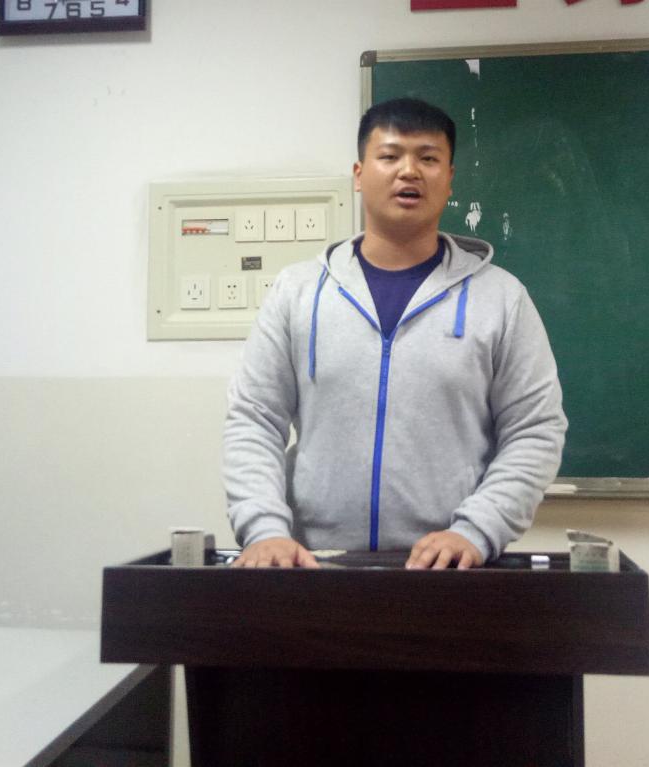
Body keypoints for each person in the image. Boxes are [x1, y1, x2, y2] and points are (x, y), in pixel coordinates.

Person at [223, 97, 566, 570]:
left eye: (428, 158)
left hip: (449, 571)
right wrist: (264, 531)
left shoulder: (501, 299)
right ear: (359, 174)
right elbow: (254, 420)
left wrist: (475, 531)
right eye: (390, 156)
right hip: (311, 567)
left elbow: (535, 429)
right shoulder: (296, 292)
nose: (409, 171)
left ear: (450, 179)